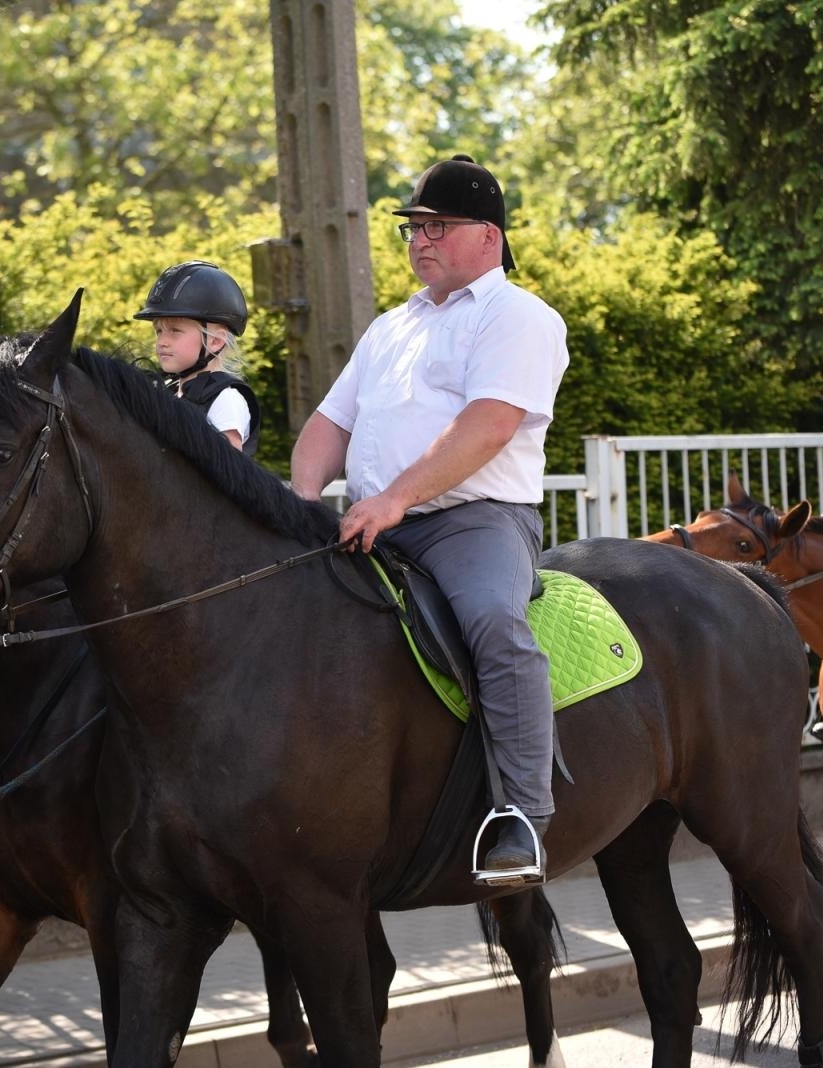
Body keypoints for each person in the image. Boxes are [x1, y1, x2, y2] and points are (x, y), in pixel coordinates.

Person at [290, 154, 570, 881]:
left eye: (437, 226)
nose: (419, 240)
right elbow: (329, 424)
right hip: (375, 521)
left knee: (494, 624)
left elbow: (489, 426)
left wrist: (394, 498)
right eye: (413, 228)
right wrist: (301, 502)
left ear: (488, 235)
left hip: (473, 522)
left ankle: (521, 819)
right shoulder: (391, 326)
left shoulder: (520, 317)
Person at [134, 260, 261, 455]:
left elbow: (228, 470)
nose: (162, 342)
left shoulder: (226, 400)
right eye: (159, 331)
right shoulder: (168, 392)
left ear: (215, 341)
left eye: (175, 331)